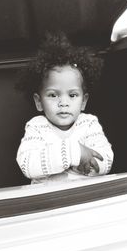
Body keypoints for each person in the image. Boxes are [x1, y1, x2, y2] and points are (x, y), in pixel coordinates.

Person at [16, 32, 114, 182]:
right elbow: (27, 165)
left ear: (83, 101)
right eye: (53, 95)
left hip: (85, 195)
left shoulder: (88, 123)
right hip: (48, 200)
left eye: (73, 95)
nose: (63, 103)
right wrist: (75, 153)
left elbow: (105, 160)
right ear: (39, 102)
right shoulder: (36, 127)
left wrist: (91, 165)